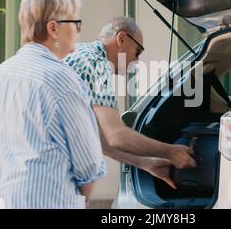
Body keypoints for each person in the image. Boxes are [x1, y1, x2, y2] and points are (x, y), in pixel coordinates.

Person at [0, 0, 106, 209]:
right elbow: (89, 165)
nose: (79, 31)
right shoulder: (62, 79)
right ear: (53, 28)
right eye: (76, 23)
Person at [64, 17, 196, 189]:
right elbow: (117, 136)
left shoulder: (79, 54)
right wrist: (171, 152)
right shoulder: (96, 65)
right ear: (122, 39)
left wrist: (143, 162)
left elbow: (96, 137)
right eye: (138, 51)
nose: (137, 61)